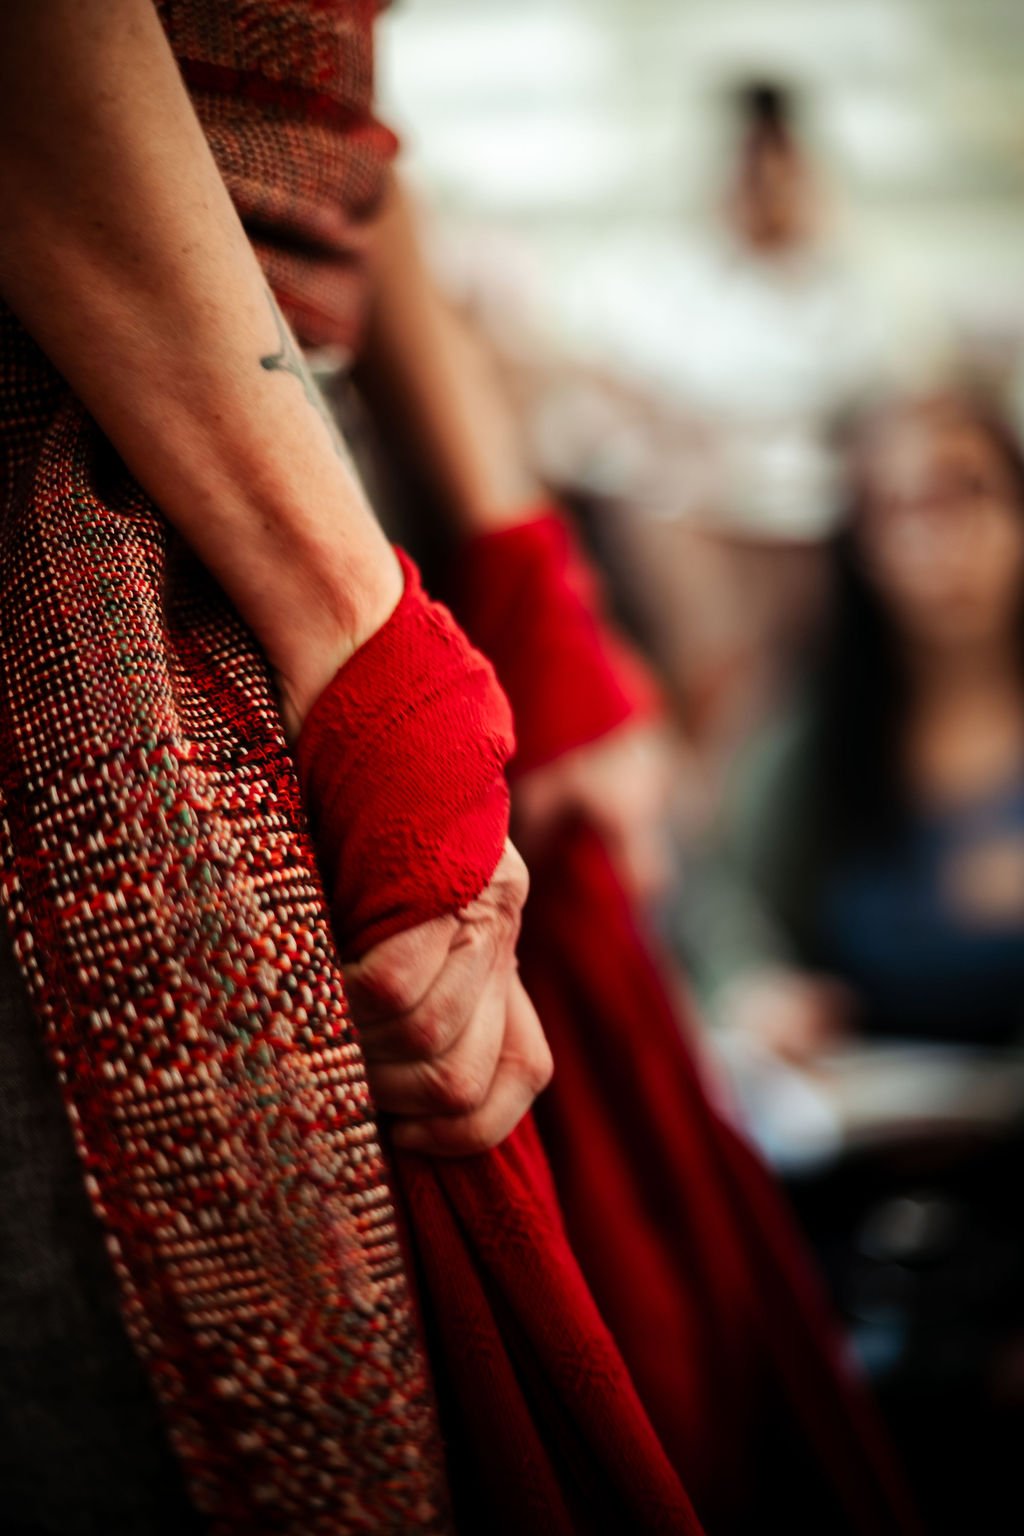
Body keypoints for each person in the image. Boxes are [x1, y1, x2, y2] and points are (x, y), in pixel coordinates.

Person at [682, 392, 1024, 1059]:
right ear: (863, 549)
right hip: (869, 1125)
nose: (943, 541)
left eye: (971, 493)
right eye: (904, 510)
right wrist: (754, 987)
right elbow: (715, 901)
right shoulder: (810, 733)